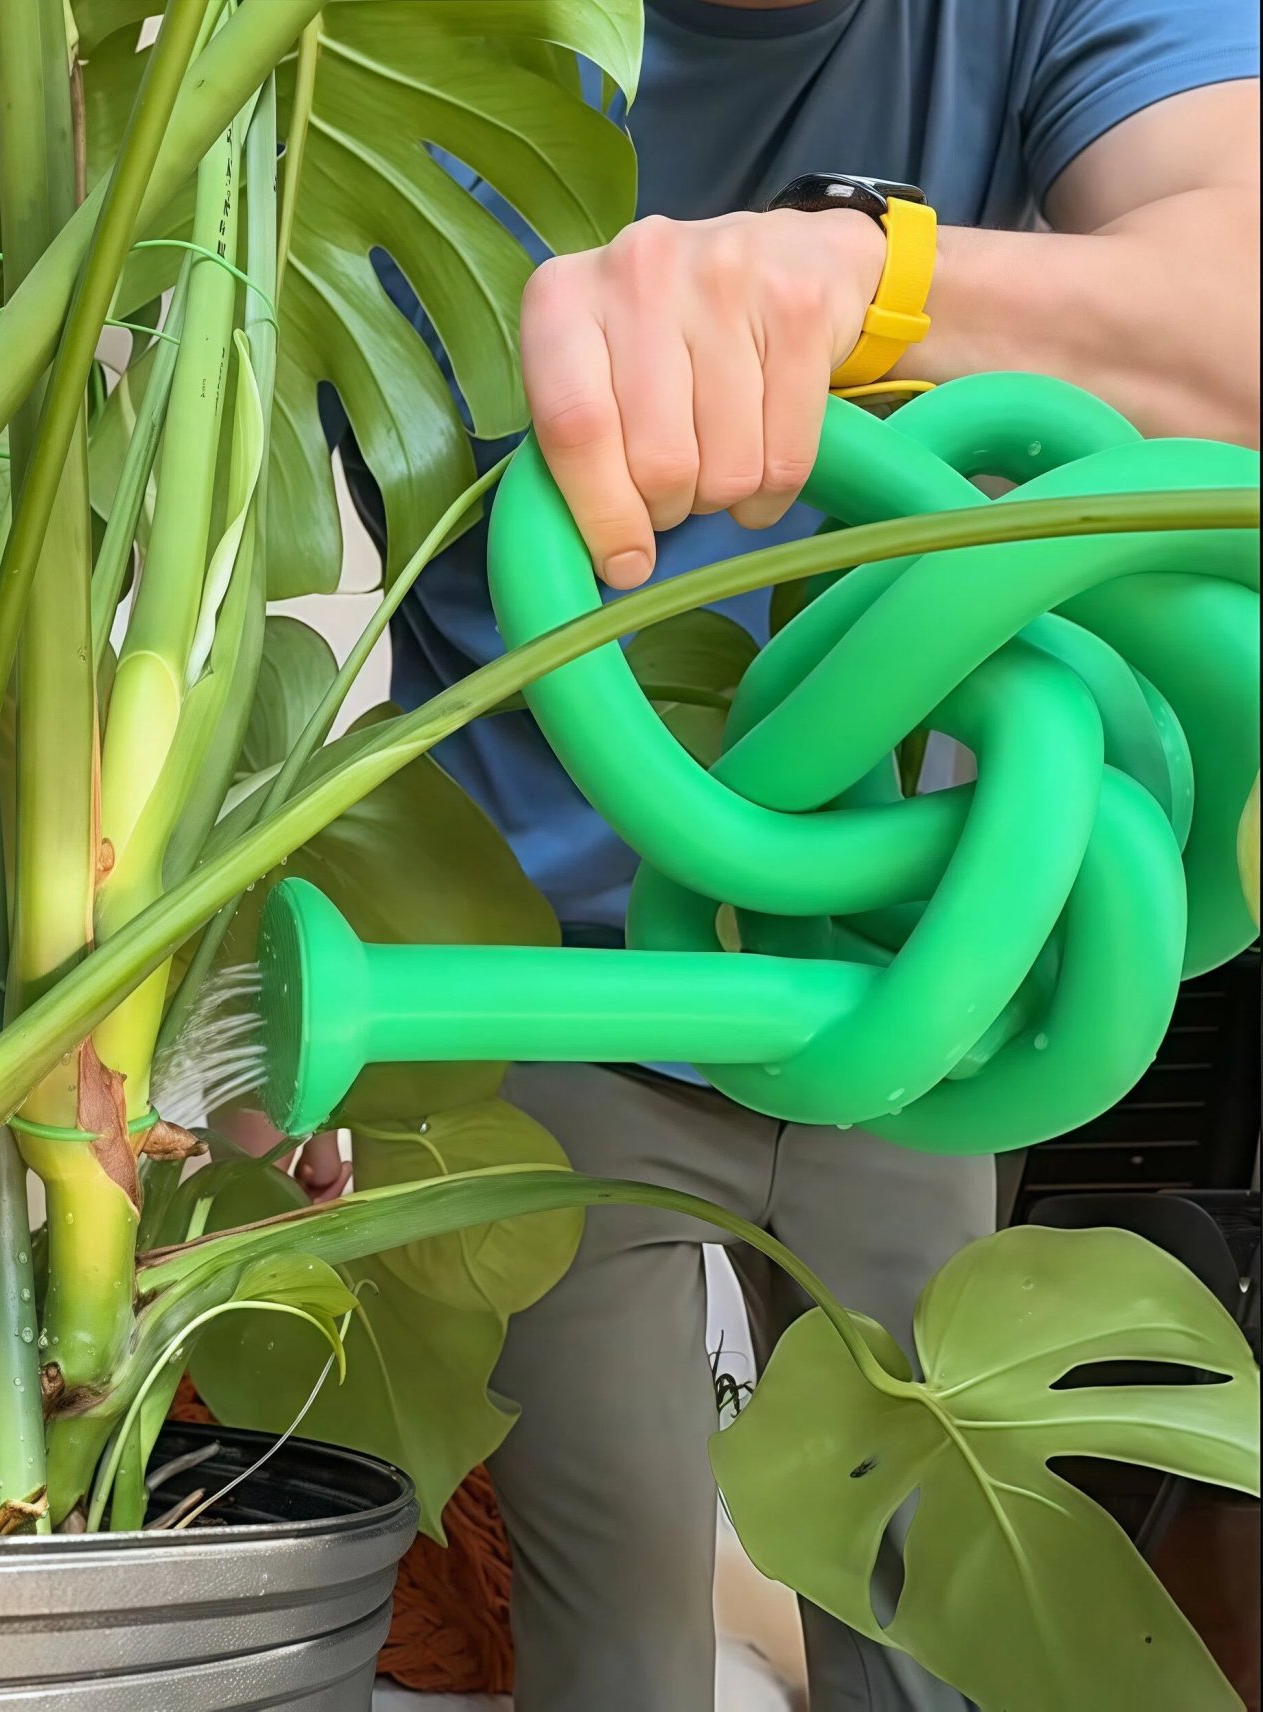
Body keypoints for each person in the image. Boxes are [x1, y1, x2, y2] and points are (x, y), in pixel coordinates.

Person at [303, 4, 1261, 1709]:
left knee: (925, 1617)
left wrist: (864, 281)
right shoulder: (346, 47)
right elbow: (179, 523)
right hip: (533, 984)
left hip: (900, 966)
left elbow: (1241, 313)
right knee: (620, 1637)